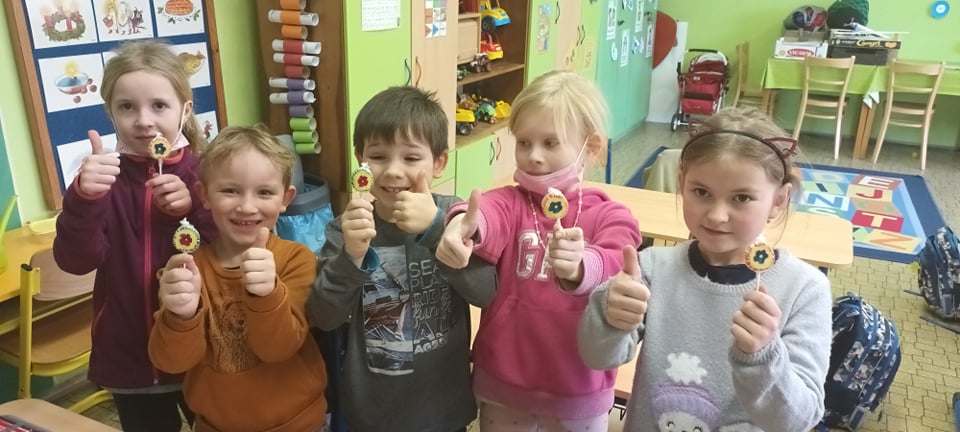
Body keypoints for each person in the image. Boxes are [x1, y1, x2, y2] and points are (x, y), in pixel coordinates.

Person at [578, 107, 832, 431]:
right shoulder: (652, 268)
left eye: (742, 198)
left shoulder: (804, 289)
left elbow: (798, 420)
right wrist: (610, 317)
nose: (716, 215)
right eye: (701, 192)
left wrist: (765, 356)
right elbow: (597, 357)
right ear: (681, 183)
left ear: (779, 201)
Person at [436, 70, 642, 431]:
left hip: (578, 387)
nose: (533, 156)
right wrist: (460, 225)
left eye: (550, 143)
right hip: (504, 384)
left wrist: (582, 266)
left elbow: (618, 260)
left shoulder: (609, 214)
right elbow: (486, 212)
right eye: (524, 142)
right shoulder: (513, 201)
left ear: (590, 146)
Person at [307, 86, 497, 432]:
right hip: (374, 412)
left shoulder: (452, 217)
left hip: (444, 406)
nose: (393, 171)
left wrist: (436, 231)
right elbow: (324, 317)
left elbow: (487, 294)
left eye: (410, 158)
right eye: (378, 156)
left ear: (439, 162)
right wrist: (351, 257)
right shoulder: (345, 230)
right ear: (360, 159)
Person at [53, 39, 214, 432]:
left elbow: (232, 250)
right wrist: (85, 199)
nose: (143, 120)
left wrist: (194, 206)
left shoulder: (207, 173)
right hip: (130, 357)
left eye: (159, 105)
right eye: (127, 107)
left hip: (201, 349)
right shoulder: (99, 180)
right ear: (110, 112)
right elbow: (76, 261)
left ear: (184, 110)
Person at [147, 126, 328, 431]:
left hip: (298, 425)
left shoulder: (296, 260)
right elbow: (171, 362)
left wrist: (267, 295)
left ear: (285, 198)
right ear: (204, 194)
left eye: (265, 192)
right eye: (230, 190)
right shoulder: (187, 271)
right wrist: (180, 316)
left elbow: (278, 349)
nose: (247, 206)